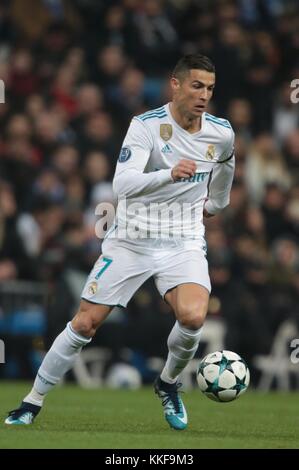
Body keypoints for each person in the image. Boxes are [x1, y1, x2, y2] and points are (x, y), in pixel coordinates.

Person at [5, 54, 235, 431]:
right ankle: (32, 402)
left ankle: (167, 383)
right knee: (84, 324)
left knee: (193, 316)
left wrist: (218, 203)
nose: (204, 95)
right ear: (175, 85)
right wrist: (168, 175)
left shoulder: (221, 132)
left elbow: (226, 164)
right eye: (196, 85)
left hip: (183, 241)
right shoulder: (145, 126)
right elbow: (122, 184)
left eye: (209, 88)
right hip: (131, 239)